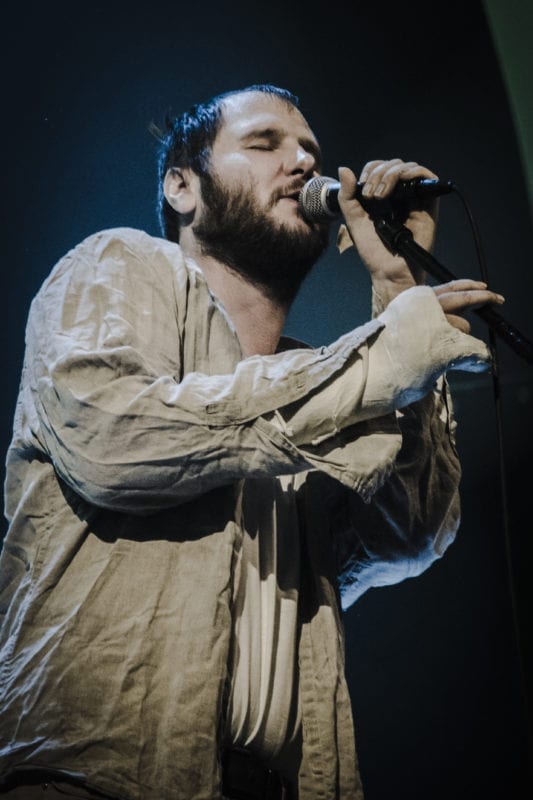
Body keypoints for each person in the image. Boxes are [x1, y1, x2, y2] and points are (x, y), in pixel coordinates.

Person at [0, 84, 503, 800]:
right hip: (91, 779)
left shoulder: (316, 387)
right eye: (265, 144)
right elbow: (112, 440)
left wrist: (397, 288)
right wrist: (373, 364)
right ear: (182, 186)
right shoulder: (116, 263)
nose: (302, 163)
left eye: (309, 151)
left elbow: (407, 535)